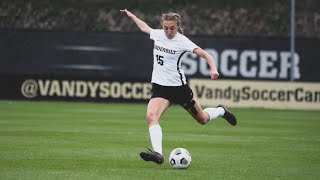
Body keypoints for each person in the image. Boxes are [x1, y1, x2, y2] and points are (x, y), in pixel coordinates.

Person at [120, 9, 237, 165]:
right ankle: (158, 154)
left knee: (202, 119)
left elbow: (205, 54)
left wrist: (213, 69)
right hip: (161, 88)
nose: (168, 31)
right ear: (162, 26)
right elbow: (144, 27)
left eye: (172, 28)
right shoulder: (158, 34)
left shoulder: (182, 41)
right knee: (151, 117)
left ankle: (221, 110)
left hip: (179, 89)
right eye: (166, 27)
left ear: (177, 27)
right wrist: (132, 16)